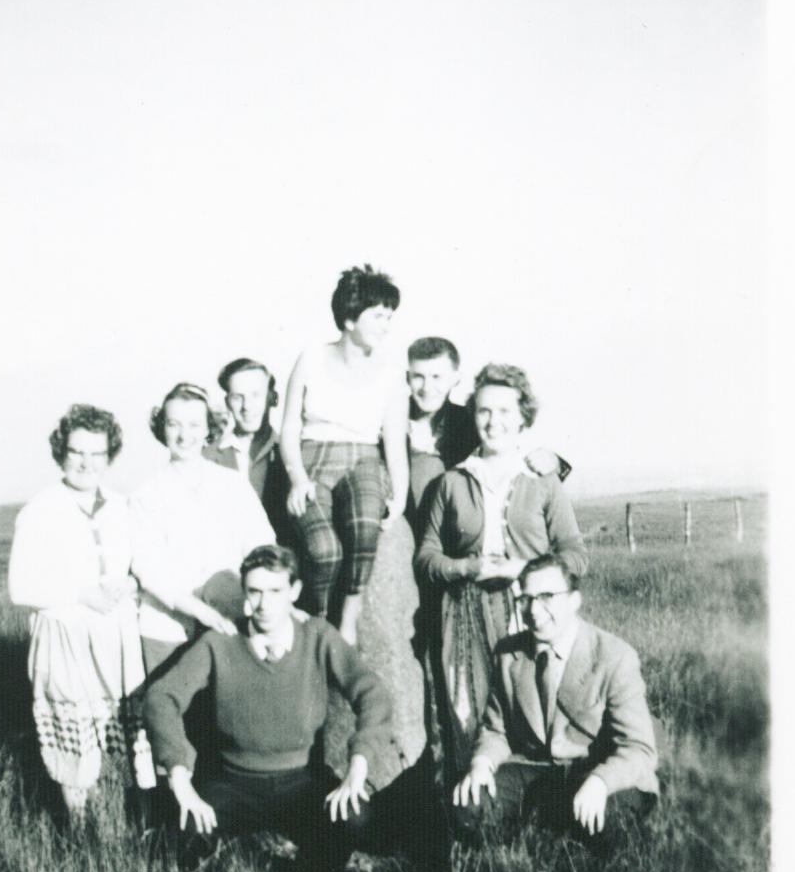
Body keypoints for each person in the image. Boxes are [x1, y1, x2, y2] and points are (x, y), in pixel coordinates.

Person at [142, 544, 392, 872]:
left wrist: (358, 767)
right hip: (233, 782)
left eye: (275, 591)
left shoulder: (317, 636)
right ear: (244, 593)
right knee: (187, 830)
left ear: (295, 591)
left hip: (300, 781)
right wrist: (179, 776)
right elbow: (162, 697)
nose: (264, 604)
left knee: (355, 817)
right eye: (255, 592)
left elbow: (372, 691)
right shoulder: (221, 642)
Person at [415, 362, 587, 788]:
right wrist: (468, 568)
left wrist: (524, 571)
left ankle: (536, 803)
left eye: (506, 412)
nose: (494, 422)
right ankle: (471, 808)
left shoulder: (544, 481)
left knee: (529, 706)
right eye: (484, 411)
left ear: (523, 417)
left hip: (530, 614)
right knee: (466, 711)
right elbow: (426, 558)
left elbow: (575, 555)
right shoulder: (452, 482)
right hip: (465, 616)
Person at [7, 403, 155, 816]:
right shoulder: (39, 511)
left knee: (129, 736)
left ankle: (139, 828)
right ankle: (81, 832)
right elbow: (20, 588)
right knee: (75, 745)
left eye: (96, 453)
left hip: (118, 636)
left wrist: (131, 582)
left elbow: (138, 565)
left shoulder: (123, 505)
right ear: (61, 452)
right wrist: (79, 593)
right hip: (64, 637)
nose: (86, 462)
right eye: (77, 452)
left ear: (109, 456)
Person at [453, 553, 658, 841]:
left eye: (547, 596)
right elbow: (495, 729)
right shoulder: (509, 653)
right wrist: (482, 765)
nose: (534, 611)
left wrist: (600, 782)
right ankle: (533, 836)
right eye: (526, 599)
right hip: (538, 771)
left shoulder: (615, 656)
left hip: (598, 770)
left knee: (607, 821)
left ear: (575, 601)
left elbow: (638, 748)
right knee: (467, 805)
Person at [280, 264, 409, 645]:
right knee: (324, 551)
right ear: (351, 316)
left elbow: (394, 441)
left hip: (364, 459)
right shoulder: (311, 359)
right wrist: (297, 477)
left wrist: (399, 495)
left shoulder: (390, 372)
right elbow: (289, 427)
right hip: (313, 458)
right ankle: (316, 621)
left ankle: (348, 621)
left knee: (366, 528)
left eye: (390, 317)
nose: (386, 325)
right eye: (379, 316)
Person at [130, 382, 275, 675]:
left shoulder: (232, 484)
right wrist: (203, 613)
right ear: (162, 428)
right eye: (174, 424)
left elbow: (262, 546)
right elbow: (150, 570)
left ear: (209, 428)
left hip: (230, 618)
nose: (185, 435)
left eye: (195, 424)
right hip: (166, 628)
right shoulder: (145, 494)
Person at [405, 336, 571, 520]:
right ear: (407, 378)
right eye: (418, 377)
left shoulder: (470, 421)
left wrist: (552, 461)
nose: (427, 388)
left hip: (457, 530)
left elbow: (520, 454)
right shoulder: (389, 422)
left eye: (436, 377)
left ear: (455, 379)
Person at [203, 357, 290, 538]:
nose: (247, 406)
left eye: (256, 395)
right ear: (227, 402)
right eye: (238, 397)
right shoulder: (207, 458)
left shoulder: (291, 455)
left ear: (273, 398)